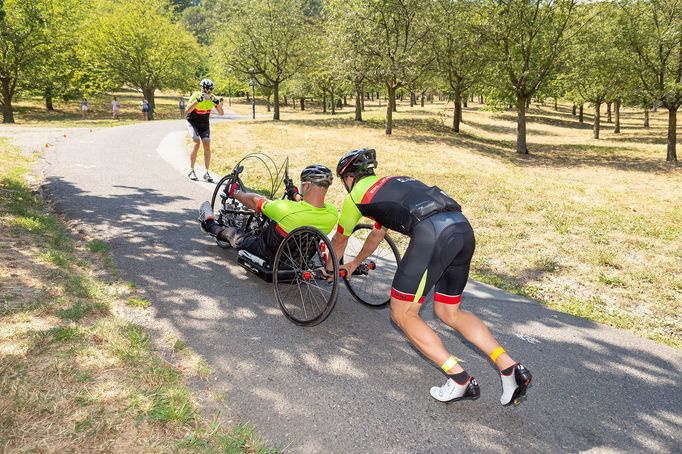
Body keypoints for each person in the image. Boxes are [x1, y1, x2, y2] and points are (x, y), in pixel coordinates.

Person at [330, 148, 532, 406]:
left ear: (348, 178)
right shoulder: (393, 182)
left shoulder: (355, 199)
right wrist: (356, 262)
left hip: (433, 234)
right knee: (450, 312)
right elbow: (377, 234)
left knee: (403, 314)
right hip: (461, 228)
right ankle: (511, 369)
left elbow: (338, 241)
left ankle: (459, 379)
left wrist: (331, 268)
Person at [197, 164, 338, 262]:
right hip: (295, 258)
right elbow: (309, 206)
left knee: (235, 234)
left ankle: (208, 223)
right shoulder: (332, 214)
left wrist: (234, 192)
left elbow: (254, 201)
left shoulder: (284, 208)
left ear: (306, 185)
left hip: (265, 252)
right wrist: (294, 195)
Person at [186, 78, 224, 182]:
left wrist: (217, 103)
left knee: (207, 144)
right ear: (202, 89)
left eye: (209, 90)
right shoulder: (196, 95)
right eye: (205, 90)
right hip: (192, 122)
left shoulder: (213, 98)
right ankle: (191, 170)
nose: (207, 92)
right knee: (196, 143)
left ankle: (207, 172)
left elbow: (221, 113)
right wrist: (198, 101)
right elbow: (187, 110)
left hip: (204, 124)